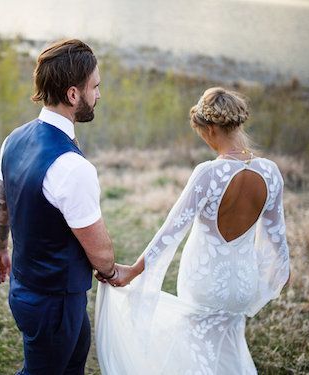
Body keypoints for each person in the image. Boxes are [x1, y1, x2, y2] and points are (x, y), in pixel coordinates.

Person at [95, 87, 290, 374]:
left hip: (206, 282)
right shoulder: (271, 172)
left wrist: (134, 271)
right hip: (243, 284)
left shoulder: (208, 174)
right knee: (229, 347)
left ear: (211, 129)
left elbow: (171, 232)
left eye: (203, 135)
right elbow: (277, 236)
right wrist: (279, 274)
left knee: (195, 352)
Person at [0, 39, 119, 375]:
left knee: (74, 362)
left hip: (27, 290)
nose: (99, 95)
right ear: (73, 95)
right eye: (95, 87)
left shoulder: (13, 139)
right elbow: (101, 254)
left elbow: (2, 205)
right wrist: (114, 273)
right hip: (54, 303)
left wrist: (0, 249)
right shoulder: (72, 167)